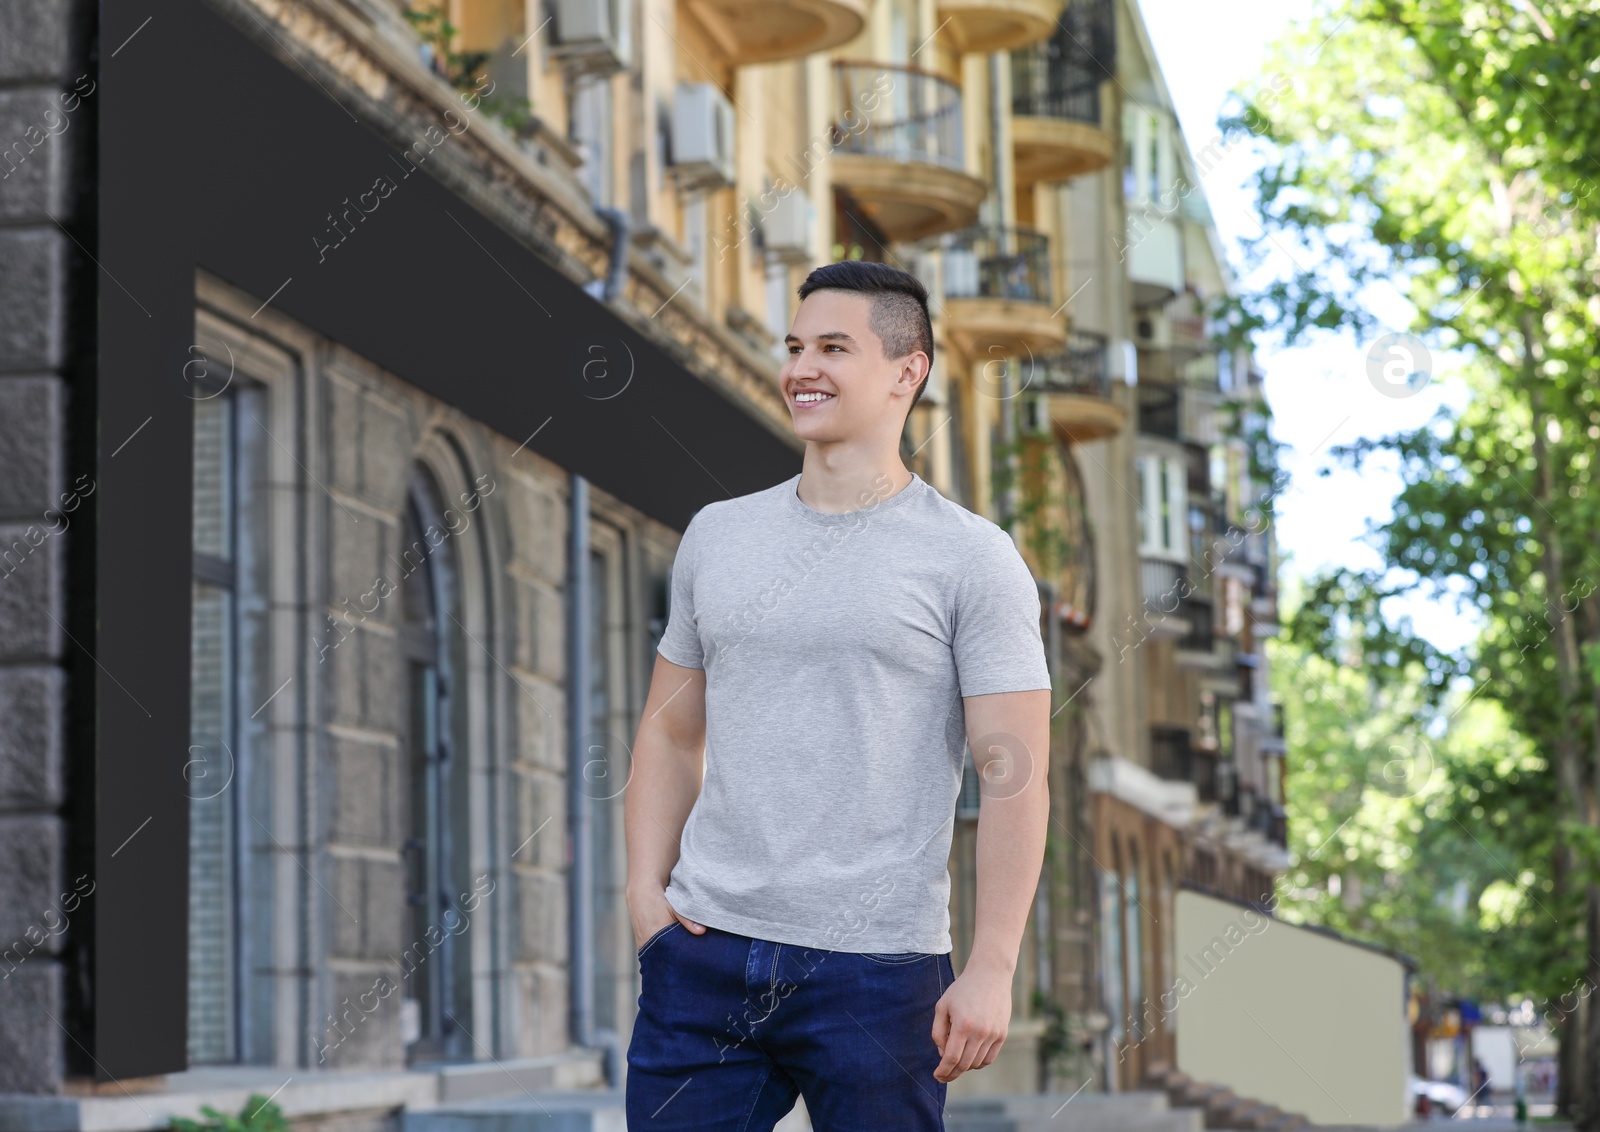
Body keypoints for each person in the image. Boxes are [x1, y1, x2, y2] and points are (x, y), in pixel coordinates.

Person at [623, 260, 1053, 1129]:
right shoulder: (719, 534)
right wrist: (644, 897)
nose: (800, 369)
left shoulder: (971, 558)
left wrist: (994, 965)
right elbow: (670, 734)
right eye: (793, 347)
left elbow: (1013, 772)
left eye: (832, 347)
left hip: (880, 973)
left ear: (907, 370)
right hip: (706, 956)